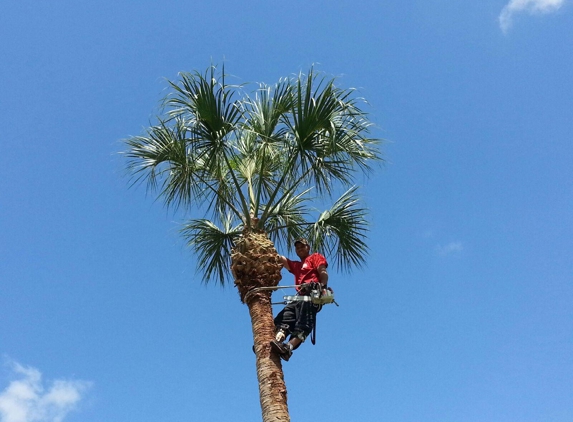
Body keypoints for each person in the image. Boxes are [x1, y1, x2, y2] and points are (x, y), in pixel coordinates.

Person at [271, 238, 329, 361]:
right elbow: (281, 259)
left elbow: (323, 271)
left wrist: (322, 285)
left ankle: (288, 347)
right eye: (297, 248)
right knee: (282, 319)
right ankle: (275, 342)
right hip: (298, 297)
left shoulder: (315, 257)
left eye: (302, 246)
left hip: (311, 295)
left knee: (304, 324)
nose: (300, 249)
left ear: (308, 247)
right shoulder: (297, 265)